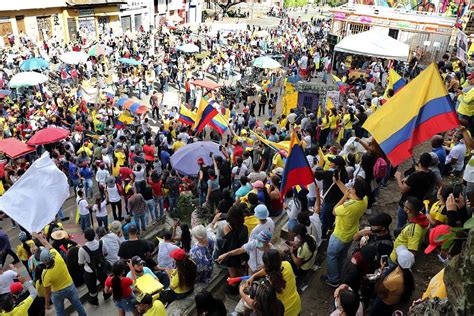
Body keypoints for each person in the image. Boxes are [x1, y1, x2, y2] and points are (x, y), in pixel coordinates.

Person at [321, 178, 368, 288]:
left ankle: (333, 279)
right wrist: (338, 182)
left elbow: (334, 210)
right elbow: (350, 193)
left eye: (352, 188)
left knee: (331, 256)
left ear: (355, 190)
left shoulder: (349, 206)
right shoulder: (364, 200)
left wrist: (343, 197)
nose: (350, 189)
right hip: (350, 234)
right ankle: (340, 273)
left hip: (339, 236)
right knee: (341, 256)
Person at [33, 233, 86, 316]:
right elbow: (46, 243)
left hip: (57, 293)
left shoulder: (45, 274)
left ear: (42, 261)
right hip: (70, 286)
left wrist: (47, 304)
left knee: (60, 312)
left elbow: (47, 292)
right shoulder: (57, 255)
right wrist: (39, 237)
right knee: (78, 305)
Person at [246, 249, 301, 316]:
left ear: (266, 265)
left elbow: (258, 306)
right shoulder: (287, 265)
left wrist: (241, 292)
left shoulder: (268, 286)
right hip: (296, 305)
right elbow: (271, 269)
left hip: (284, 312)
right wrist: (254, 276)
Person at [395, 153, 439, 228]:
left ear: (420, 162)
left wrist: (398, 177)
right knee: (413, 224)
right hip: (419, 203)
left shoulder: (415, 176)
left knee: (400, 224)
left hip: (407, 203)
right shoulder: (431, 174)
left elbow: (403, 190)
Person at [371, 246, 415, 315]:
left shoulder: (394, 280)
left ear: (398, 260)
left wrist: (381, 271)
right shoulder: (406, 270)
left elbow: (378, 289)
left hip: (384, 304)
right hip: (391, 301)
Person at [390, 197, 429, 267]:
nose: (403, 205)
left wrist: (401, 263)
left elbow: (412, 252)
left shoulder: (414, 229)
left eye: (405, 205)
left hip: (397, 258)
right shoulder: (419, 215)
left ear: (407, 210)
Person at [78, 227, 111, 306]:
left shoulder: (82, 249)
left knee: (92, 287)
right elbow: (106, 253)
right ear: (94, 235)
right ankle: (106, 295)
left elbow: (80, 263)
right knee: (104, 282)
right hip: (101, 267)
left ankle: (94, 301)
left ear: (85, 237)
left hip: (90, 271)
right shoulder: (101, 242)